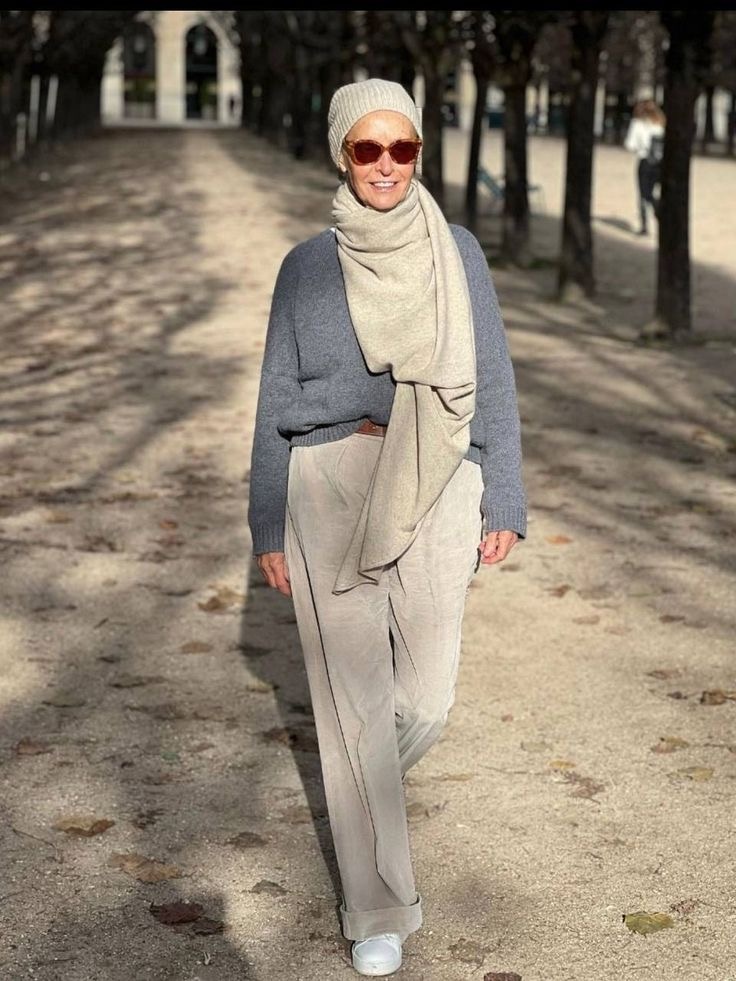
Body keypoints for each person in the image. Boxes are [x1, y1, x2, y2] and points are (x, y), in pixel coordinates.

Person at [248, 78, 527, 977]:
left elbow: (493, 375)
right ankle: (378, 908)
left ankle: (362, 788)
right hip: (327, 482)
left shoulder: (457, 251)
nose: (386, 166)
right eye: (367, 150)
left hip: (439, 475)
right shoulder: (305, 266)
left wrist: (505, 493)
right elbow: (275, 400)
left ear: (417, 154)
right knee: (353, 706)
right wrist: (266, 521)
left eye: (401, 148)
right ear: (343, 155)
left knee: (426, 699)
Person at [624, 99, 666, 236]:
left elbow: (630, 144)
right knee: (655, 190)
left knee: (643, 194)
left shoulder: (637, 124)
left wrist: (640, 147)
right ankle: (658, 208)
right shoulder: (660, 123)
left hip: (645, 160)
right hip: (659, 163)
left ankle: (644, 225)